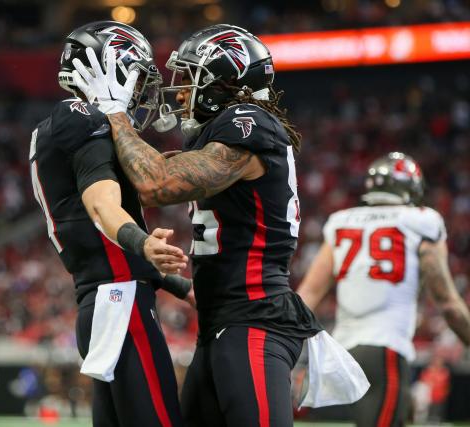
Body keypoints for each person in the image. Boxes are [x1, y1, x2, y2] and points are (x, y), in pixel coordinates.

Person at [74, 24, 323, 426]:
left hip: (254, 322)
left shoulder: (248, 123)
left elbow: (155, 183)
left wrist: (115, 112)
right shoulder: (219, 138)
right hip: (222, 324)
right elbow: (148, 170)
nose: (183, 89)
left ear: (225, 82)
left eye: (192, 77)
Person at [30, 21, 192, 427]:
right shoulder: (79, 115)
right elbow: (102, 208)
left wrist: (178, 286)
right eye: (138, 73)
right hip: (120, 305)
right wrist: (143, 244)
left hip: (104, 303)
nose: (143, 88)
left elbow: (97, 236)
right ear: (109, 65)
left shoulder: (61, 123)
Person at [296, 152, 470, 426]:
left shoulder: (342, 220)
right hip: (385, 348)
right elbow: (447, 302)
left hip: (345, 354)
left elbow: (308, 294)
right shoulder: (422, 220)